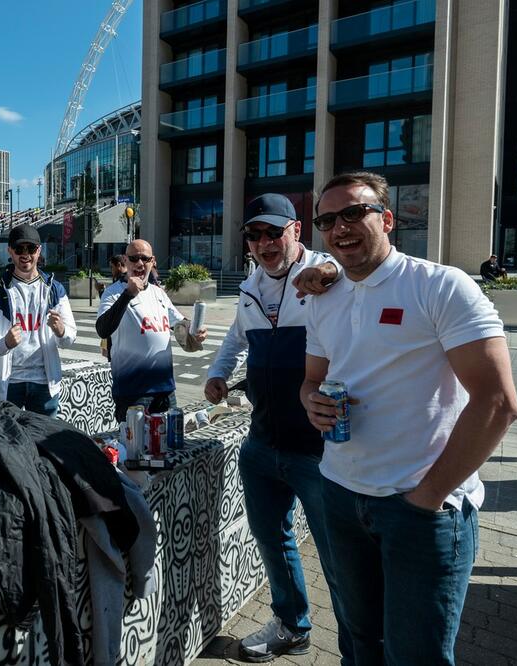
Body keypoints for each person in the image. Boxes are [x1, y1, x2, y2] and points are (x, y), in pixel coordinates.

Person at [302, 171, 517, 665]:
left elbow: (497, 403)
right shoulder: (322, 298)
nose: (339, 227)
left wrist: (427, 498)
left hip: (421, 509)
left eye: (353, 212)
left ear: (387, 219)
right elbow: (312, 379)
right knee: (358, 642)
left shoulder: (440, 285)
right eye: (327, 220)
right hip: (340, 495)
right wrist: (309, 399)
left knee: (416, 655)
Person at [205, 193, 347, 662]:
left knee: (340, 555)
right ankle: (293, 626)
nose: (264, 243)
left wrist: (329, 272)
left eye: (274, 232)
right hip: (262, 443)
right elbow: (235, 338)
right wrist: (217, 374)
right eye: (254, 235)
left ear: (296, 231)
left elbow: (348, 273)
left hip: (319, 449)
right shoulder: (250, 288)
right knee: (274, 541)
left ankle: (359, 642)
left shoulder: (324, 274)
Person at [96, 239, 206, 423]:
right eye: (134, 258)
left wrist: (196, 331)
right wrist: (128, 294)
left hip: (165, 390)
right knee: (135, 440)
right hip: (133, 392)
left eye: (145, 259)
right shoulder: (113, 292)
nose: (140, 263)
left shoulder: (158, 293)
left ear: (153, 261)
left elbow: (179, 323)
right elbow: (103, 329)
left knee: (169, 439)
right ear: (125, 261)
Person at [0, 223, 77, 417]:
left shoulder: (54, 289)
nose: (25, 254)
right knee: (4, 436)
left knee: (44, 436)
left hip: (44, 384)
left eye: (30, 248)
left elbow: (70, 338)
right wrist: (5, 342)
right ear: (10, 251)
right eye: (19, 249)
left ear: (38, 251)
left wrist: (61, 331)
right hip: (7, 384)